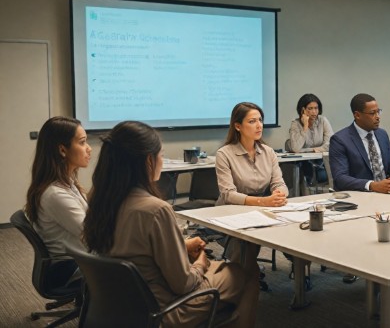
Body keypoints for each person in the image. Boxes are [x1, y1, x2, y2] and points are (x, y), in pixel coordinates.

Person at [83, 121, 259, 327]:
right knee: (246, 273)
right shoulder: (155, 209)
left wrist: (182, 247)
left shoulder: (99, 200)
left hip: (122, 304)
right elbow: (183, 285)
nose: (162, 160)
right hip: (165, 309)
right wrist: (201, 261)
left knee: (221, 268)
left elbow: (132, 250)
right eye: (161, 154)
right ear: (149, 161)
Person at [25, 116, 91, 283]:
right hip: (69, 269)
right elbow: (93, 235)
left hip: (76, 259)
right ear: (62, 150)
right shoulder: (55, 194)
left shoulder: (65, 182)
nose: (89, 149)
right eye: (82, 142)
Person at [215, 102, 289, 206]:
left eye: (260, 120)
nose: (259, 126)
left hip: (261, 208)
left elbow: (279, 184)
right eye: (252, 121)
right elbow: (228, 194)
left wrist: (279, 195)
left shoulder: (269, 152)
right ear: (237, 126)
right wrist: (262, 201)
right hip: (231, 209)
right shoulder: (224, 154)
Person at [329, 93, 390, 193]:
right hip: (360, 196)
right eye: (372, 113)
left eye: (378, 112)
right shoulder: (340, 140)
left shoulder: (382, 134)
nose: (378, 117)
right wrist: (372, 185)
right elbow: (340, 178)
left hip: (387, 193)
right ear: (357, 115)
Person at [288, 93, 333, 185]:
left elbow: (331, 144)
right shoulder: (295, 124)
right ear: (302, 110)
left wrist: (307, 150)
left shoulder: (323, 120)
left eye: (316, 108)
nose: (314, 112)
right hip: (303, 164)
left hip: (321, 162)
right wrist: (305, 127)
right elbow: (296, 148)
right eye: (310, 108)